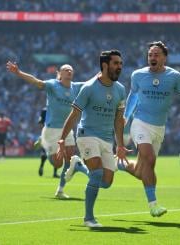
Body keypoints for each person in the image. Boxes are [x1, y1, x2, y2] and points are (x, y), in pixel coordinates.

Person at [119, 41, 180, 217]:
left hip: (159, 127)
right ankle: (153, 205)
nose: (152, 57)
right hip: (140, 123)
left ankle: (118, 164)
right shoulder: (138, 75)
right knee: (148, 158)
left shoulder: (175, 77)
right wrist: (126, 116)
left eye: (156, 54)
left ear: (164, 57)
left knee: (143, 170)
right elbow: (133, 97)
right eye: (150, 55)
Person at [57, 50, 129, 227]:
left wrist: (120, 145)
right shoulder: (88, 87)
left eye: (120, 63)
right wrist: (62, 139)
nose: (119, 67)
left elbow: (119, 120)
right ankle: (89, 219)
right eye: (116, 63)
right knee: (97, 174)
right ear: (105, 65)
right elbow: (74, 114)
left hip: (107, 139)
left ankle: (78, 166)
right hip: (87, 134)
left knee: (106, 183)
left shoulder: (120, 89)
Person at [6, 61, 89, 199]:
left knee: (69, 160)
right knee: (57, 163)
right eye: (66, 69)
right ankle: (44, 143)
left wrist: (102, 74)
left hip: (67, 129)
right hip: (52, 130)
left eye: (71, 70)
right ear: (60, 73)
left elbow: (91, 83)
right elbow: (36, 81)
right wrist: (18, 73)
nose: (69, 71)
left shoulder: (76, 87)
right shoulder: (52, 85)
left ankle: (60, 190)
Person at [34, 107, 59, 178]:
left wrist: (43, 132)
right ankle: (55, 173)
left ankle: (41, 166)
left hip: (46, 133)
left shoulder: (44, 110)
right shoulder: (57, 109)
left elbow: (40, 122)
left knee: (44, 151)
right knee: (56, 153)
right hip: (56, 133)